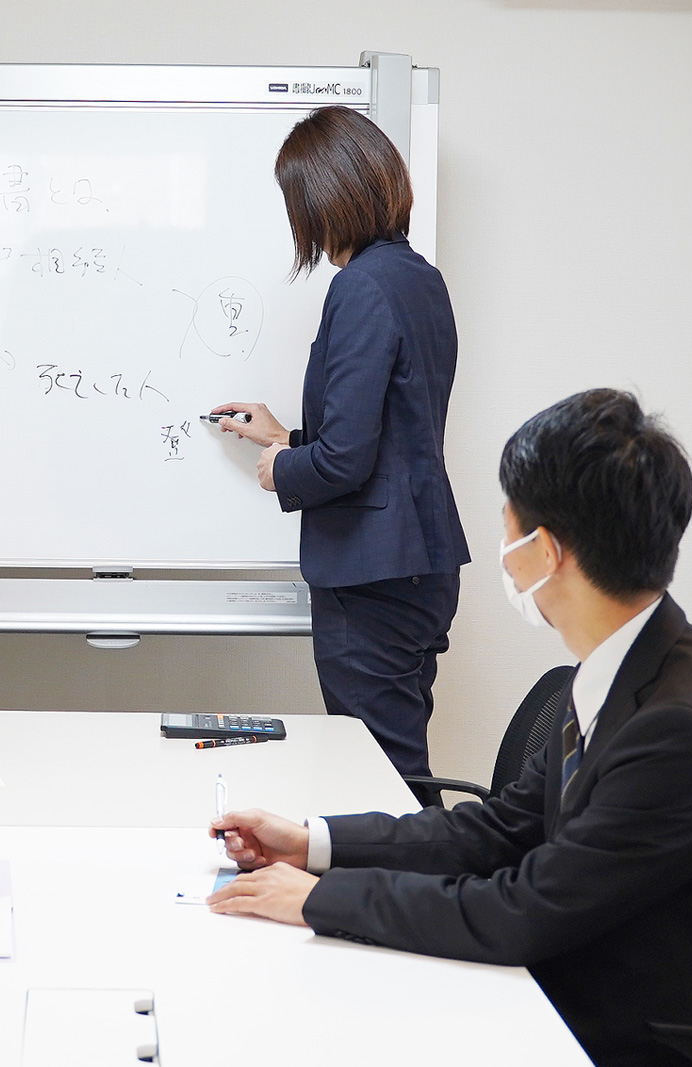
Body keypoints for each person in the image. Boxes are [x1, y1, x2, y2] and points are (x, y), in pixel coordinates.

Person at [207, 390, 692, 1066]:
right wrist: (315, 841)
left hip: (632, 1036)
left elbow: (521, 911)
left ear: (545, 551)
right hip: (579, 982)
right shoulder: (629, 666)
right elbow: (496, 830)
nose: (502, 544)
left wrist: (321, 899)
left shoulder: (680, 731)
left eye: (508, 523)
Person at [212, 106, 468, 777]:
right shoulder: (418, 279)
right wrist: (285, 434)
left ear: (327, 196)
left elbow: (346, 461)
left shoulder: (360, 287)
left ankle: (427, 882)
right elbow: (393, 434)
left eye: (297, 201)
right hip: (415, 567)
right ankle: (425, 878)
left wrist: (282, 466)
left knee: (384, 784)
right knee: (398, 772)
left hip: (372, 578)